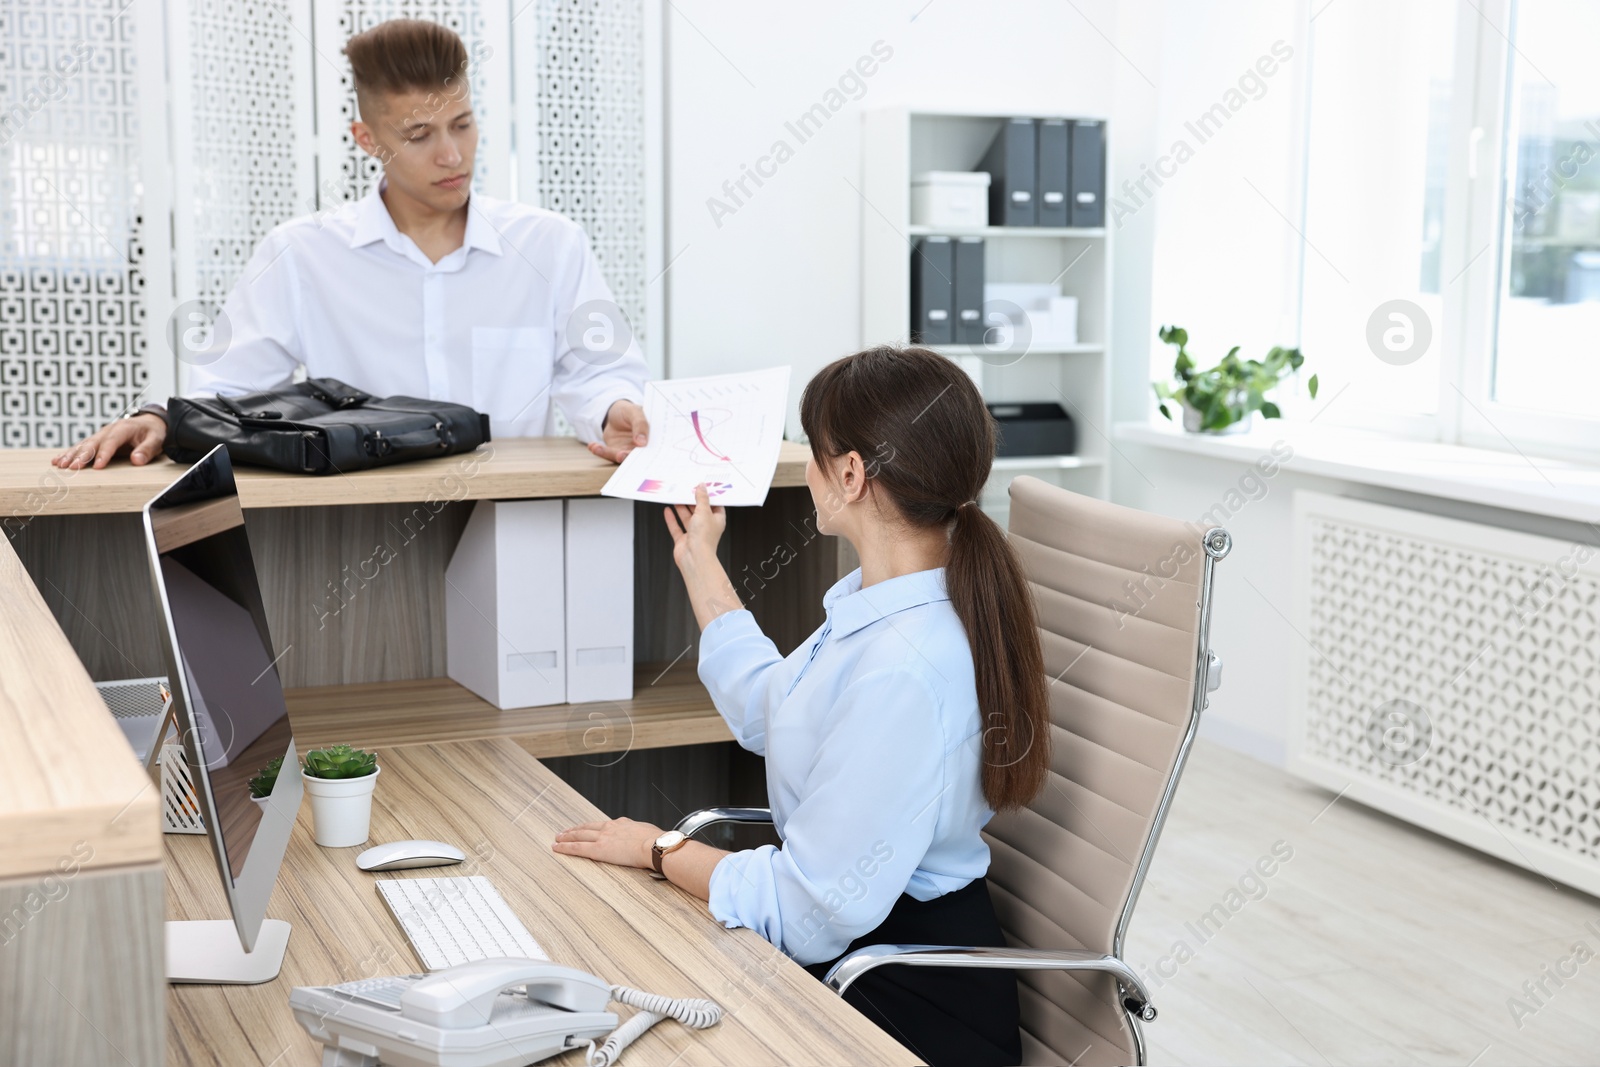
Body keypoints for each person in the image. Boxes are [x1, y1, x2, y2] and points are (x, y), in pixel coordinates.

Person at [553, 345, 1051, 1066]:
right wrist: (701, 563)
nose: (804, 466)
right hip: (860, 959)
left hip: (900, 1005)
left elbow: (806, 912)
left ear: (849, 475)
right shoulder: (882, 603)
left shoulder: (905, 666)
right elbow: (772, 710)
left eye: (812, 452)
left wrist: (658, 849)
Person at [52, 19, 649, 471]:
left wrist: (615, 408)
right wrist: (157, 416)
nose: (452, 155)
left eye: (462, 124)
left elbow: (597, 372)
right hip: (360, 532)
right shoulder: (303, 254)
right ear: (366, 138)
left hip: (523, 518)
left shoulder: (549, 244)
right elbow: (226, 388)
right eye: (419, 134)